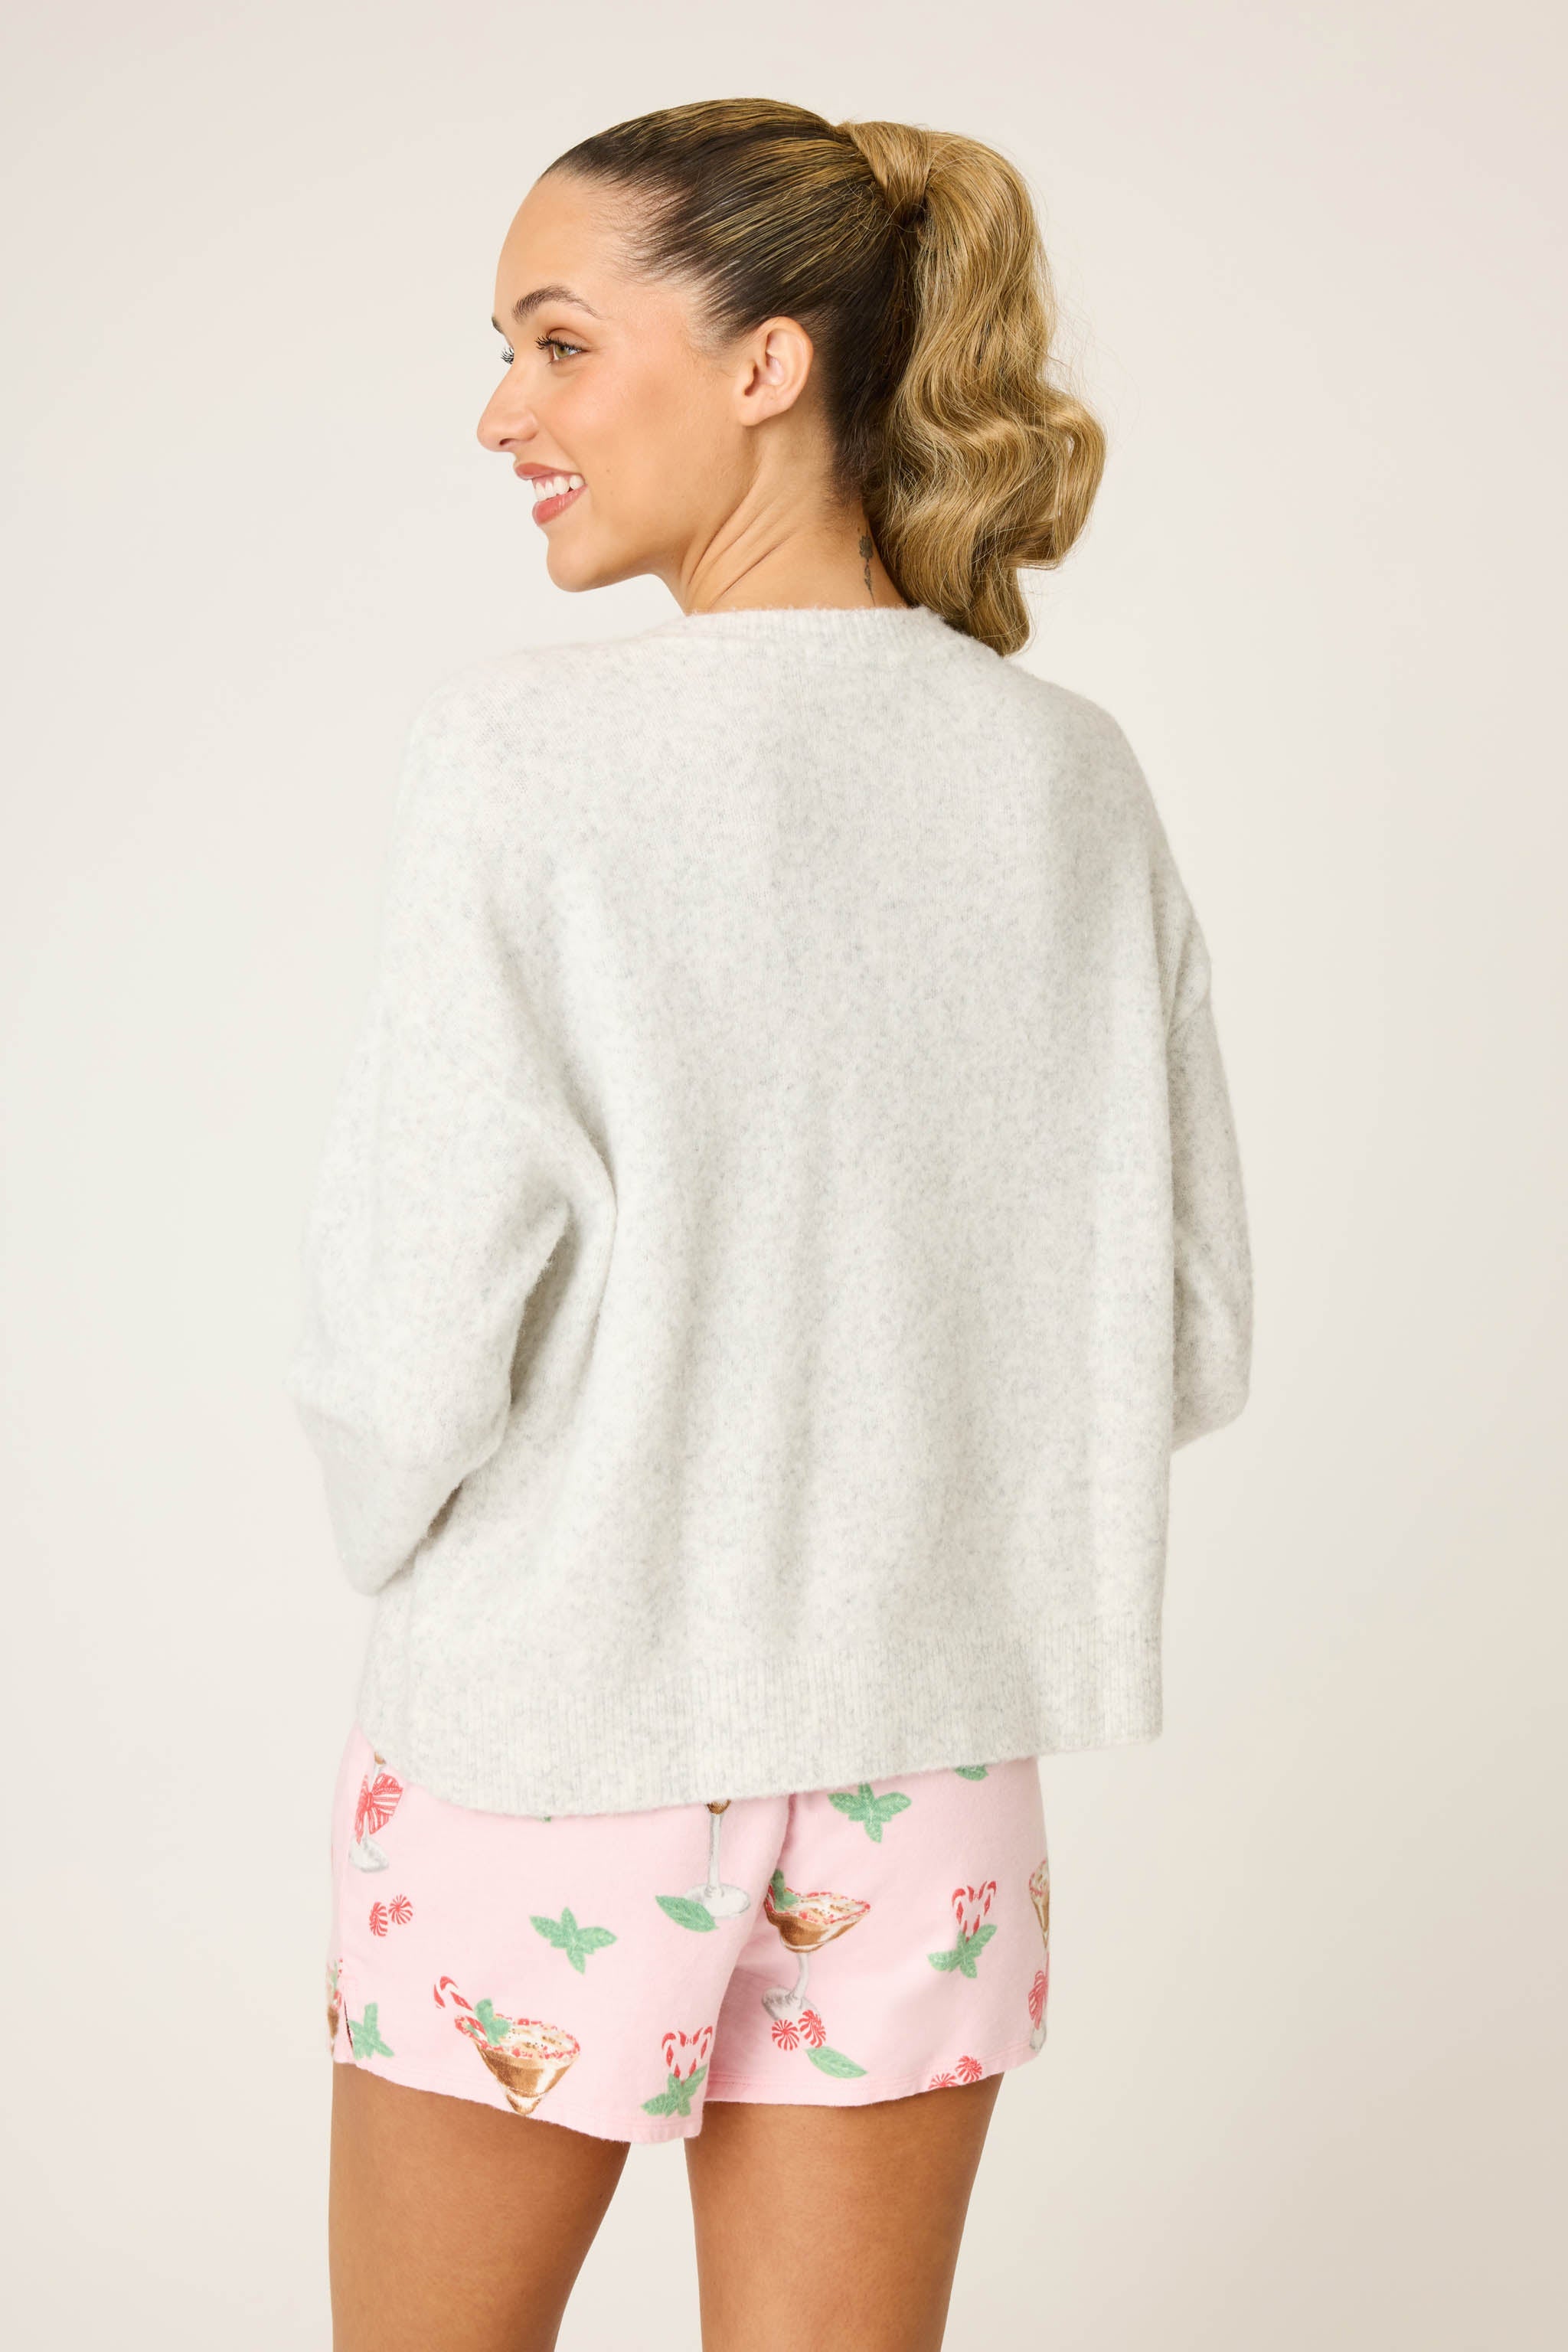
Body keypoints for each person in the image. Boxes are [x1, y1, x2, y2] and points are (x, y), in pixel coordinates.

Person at [287, 96, 1253, 2352]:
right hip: (929, 1740)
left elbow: (408, 1346)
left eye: (555, 341)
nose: (502, 412)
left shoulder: (525, 762)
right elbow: (1185, 1328)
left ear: (766, 364)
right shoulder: (1071, 778)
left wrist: (430, 1532)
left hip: (558, 1724)